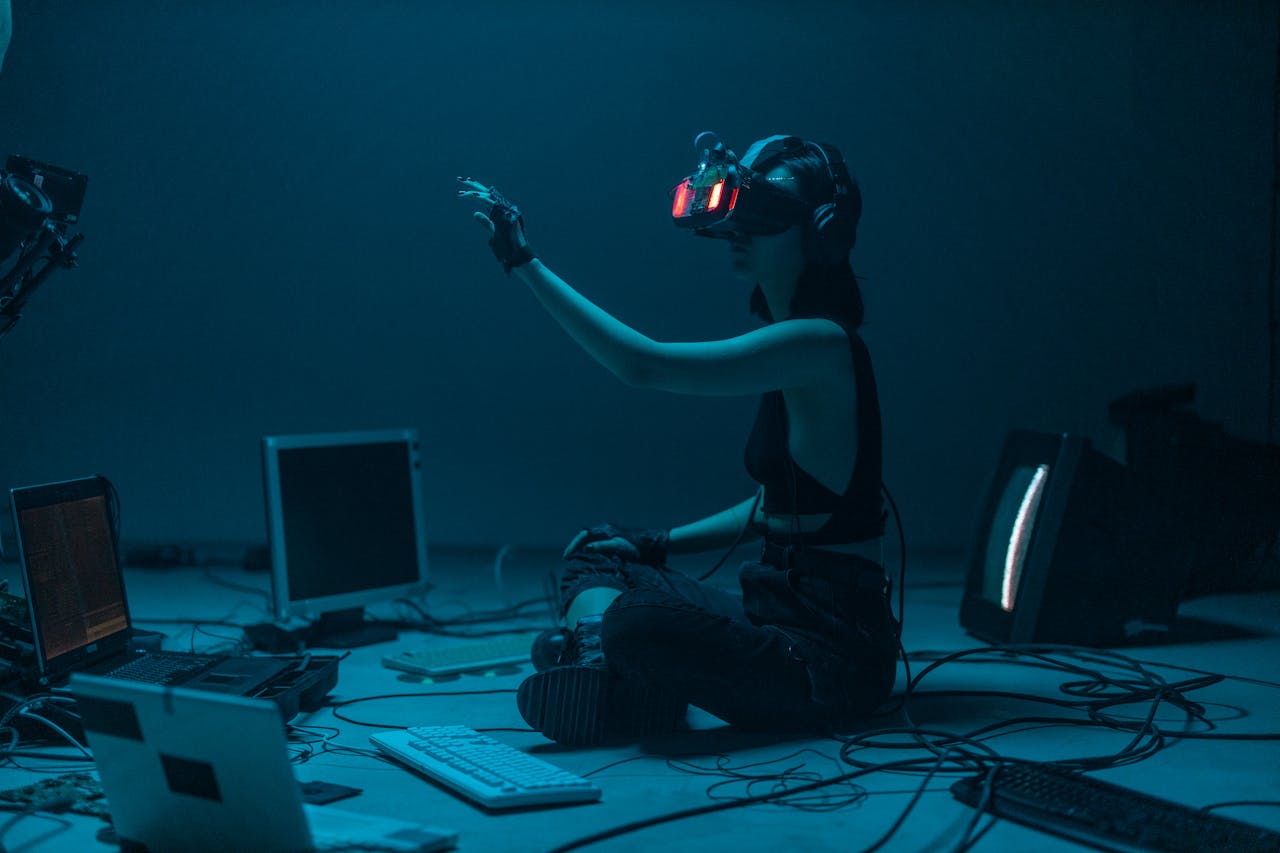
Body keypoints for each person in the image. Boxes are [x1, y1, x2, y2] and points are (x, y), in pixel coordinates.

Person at [456, 132, 900, 746]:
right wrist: (657, 545)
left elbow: (645, 365)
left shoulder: (819, 346)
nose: (742, 230)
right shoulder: (793, 343)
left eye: (766, 217)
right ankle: (603, 672)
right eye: (743, 213)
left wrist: (525, 264)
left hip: (826, 662)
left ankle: (612, 669)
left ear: (822, 232)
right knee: (602, 554)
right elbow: (773, 508)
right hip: (770, 612)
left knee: (637, 622)